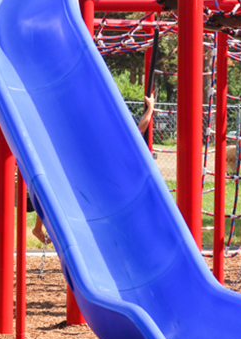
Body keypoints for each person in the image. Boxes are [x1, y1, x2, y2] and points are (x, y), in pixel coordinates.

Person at [31, 94, 155, 245]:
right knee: (52, 190)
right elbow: (140, 130)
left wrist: (150, 109)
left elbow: (139, 130)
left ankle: (41, 228)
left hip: (97, 187)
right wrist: (150, 108)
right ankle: (39, 228)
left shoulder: (109, 147)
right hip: (90, 183)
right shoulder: (101, 145)